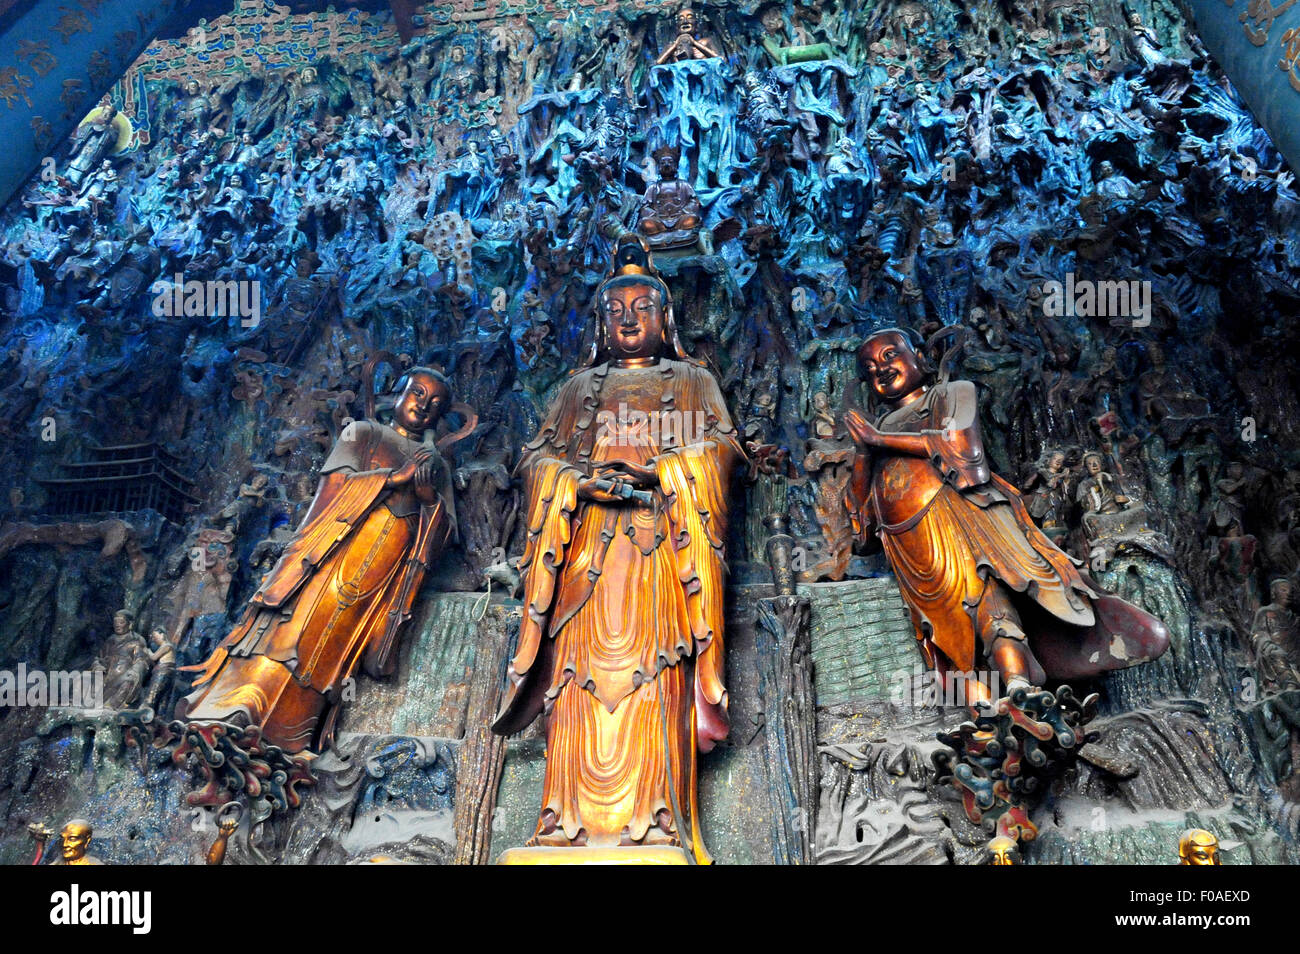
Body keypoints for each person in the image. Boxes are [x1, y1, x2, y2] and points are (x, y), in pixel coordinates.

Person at [492, 237, 742, 862]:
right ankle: (563, 822)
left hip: (660, 549)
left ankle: (656, 823)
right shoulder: (579, 389)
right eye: (616, 310)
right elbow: (537, 460)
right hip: (583, 553)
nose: (629, 319)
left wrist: (667, 471)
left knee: (654, 668)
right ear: (600, 324)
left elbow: (725, 453)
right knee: (576, 679)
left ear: (666, 319)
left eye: (642, 307)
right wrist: (573, 480)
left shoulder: (692, 381)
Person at [843, 328, 1169, 701]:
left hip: (966, 516)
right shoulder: (876, 430)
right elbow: (862, 528)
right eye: (869, 368)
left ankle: (1020, 687)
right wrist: (865, 452)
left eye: (889, 356)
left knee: (988, 596)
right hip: (912, 546)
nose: (881, 370)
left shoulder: (950, 392)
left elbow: (963, 450)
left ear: (919, 354)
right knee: (950, 635)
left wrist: (877, 441)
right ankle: (987, 710)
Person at [176, 368, 461, 754]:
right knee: (293, 629)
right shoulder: (363, 433)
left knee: (331, 646)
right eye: (418, 393)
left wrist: (428, 497)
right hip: (332, 550)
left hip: (383, 572)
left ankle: (293, 731)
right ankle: (238, 706)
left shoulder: (436, 464)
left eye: (436, 404)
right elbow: (332, 491)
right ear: (397, 393)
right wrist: (394, 479)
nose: (424, 406)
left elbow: (443, 538)